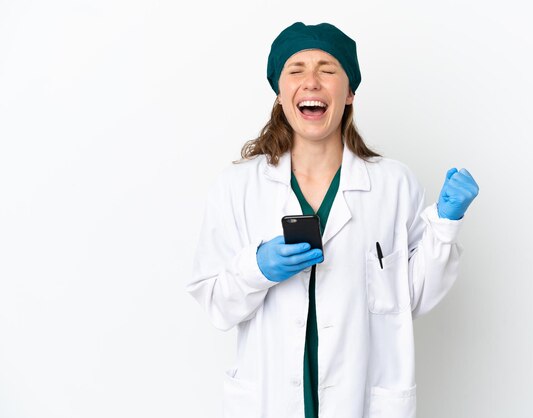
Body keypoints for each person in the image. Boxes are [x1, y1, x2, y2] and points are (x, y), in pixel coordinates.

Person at [187, 21, 479, 418]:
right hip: (268, 400)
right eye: (295, 71)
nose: (311, 82)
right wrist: (257, 268)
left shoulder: (392, 184)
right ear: (279, 93)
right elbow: (217, 304)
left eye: (327, 70)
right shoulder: (237, 186)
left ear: (350, 93)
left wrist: (445, 224)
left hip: (363, 400)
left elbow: (414, 297)